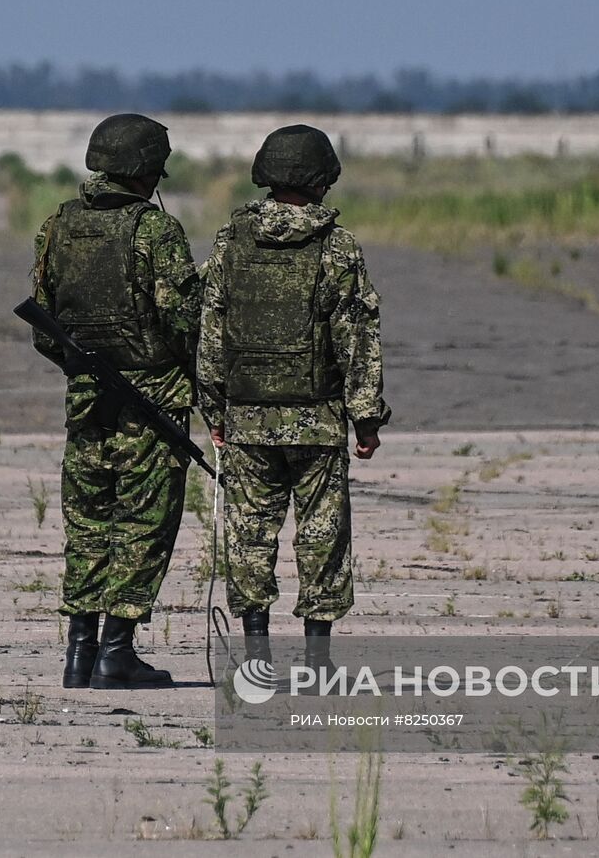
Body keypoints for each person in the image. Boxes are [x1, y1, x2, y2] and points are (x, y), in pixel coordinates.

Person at [197, 124, 390, 668]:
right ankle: (316, 662)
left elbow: (212, 331)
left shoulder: (230, 242)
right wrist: (366, 420)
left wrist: (214, 410)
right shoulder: (336, 245)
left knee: (249, 539)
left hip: (248, 422)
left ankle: (256, 659)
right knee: (322, 538)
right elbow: (356, 338)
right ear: (320, 179)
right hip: (318, 423)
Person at [29, 113, 200, 689]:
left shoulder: (59, 226)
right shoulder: (155, 232)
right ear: (146, 170)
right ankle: (116, 652)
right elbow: (183, 320)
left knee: (88, 522)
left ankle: (79, 653)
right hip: (152, 400)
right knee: (145, 523)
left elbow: (44, 327)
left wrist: (84, 369)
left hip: (86, 399)